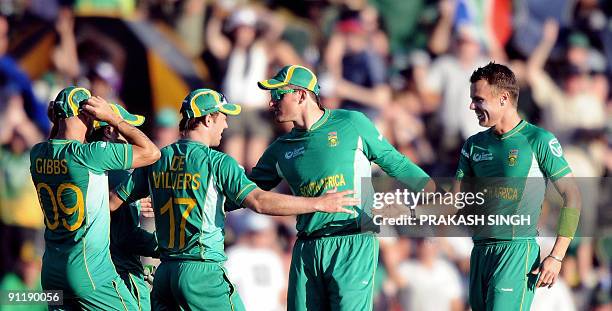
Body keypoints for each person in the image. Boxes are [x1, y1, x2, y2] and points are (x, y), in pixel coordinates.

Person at [109, 88, 359, 311]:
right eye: (223, 118)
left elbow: (111, 203)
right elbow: (259, 202)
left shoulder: (158, 159)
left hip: (165, 274)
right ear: (208, 119)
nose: (226, 126)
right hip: (202, 272)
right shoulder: (217, 162)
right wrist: (317, 203)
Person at [253, 64, 434, 310]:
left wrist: (435, 196)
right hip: (308, 246)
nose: (271, 103)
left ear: (301, 95)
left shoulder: (351, 123)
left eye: (277, 95)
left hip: (353, 241)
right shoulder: (279, 149)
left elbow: (396, 163)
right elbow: (247, 193)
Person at [454, 62, 581, 310]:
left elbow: (573, 196)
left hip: (516, 252)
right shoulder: (472, 145)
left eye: (478, 99)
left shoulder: (538, 140)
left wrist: (556, 256)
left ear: (503, 99)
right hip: (480, 253)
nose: (472, 106)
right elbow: (455, 203)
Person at [29, 86, 160, 310]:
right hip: (88, 272)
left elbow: (58, 145)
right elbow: (152, 153)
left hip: (51, 272)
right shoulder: (90, 155)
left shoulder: (37, 152)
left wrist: (57, 124)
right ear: (88, 115)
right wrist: (113, 118)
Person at [86, 103, 158, 311]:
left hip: (85, 269)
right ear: (109, 130)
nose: (132, 136)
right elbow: (124, 237)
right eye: (128, 129)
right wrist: (165, 247)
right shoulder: (117, 174)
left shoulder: (86, 164)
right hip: (118, 274)